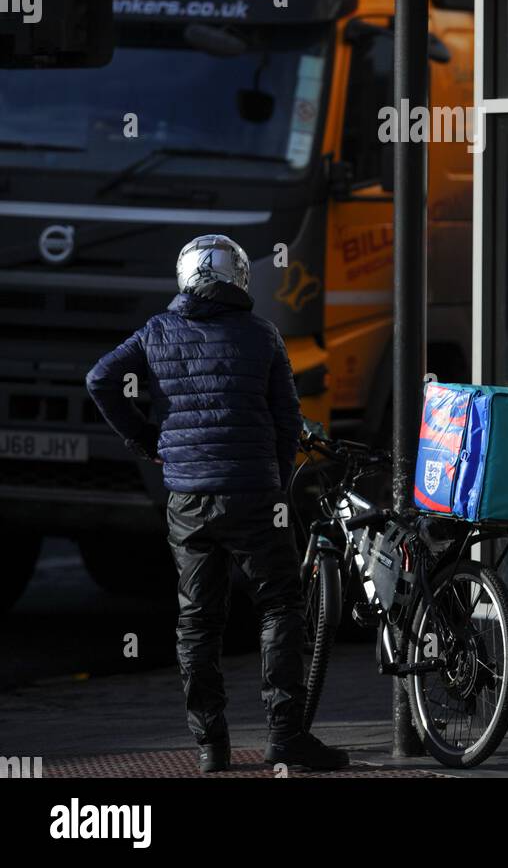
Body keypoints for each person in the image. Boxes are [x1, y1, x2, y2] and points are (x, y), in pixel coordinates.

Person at [85, 233, 349, 774]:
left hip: (187, 497)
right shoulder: (263, 335)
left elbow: (100, 378)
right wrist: (273, 480)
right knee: (279, 606)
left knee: (197, 620)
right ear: (239, 279)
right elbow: (285, 419)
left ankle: (210, 746)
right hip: (254, 494)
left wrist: (144, 439)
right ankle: (285, 735)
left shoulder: (156, 332)